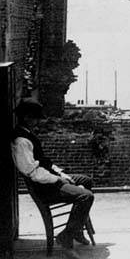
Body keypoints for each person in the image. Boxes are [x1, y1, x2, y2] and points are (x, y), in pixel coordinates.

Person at [11, 98, 94, 249]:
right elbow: (32, 172)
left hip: (50, 179)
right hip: (45, 187)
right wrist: (59, 180)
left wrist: (62, 174)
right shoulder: (21, 141)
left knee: (86, 180)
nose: (38, 122)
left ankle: (76, 229)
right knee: (86, 196)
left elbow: (44, 162)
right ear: (27, 117)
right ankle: (66, 236)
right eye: (35, 118)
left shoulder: (28, 134)